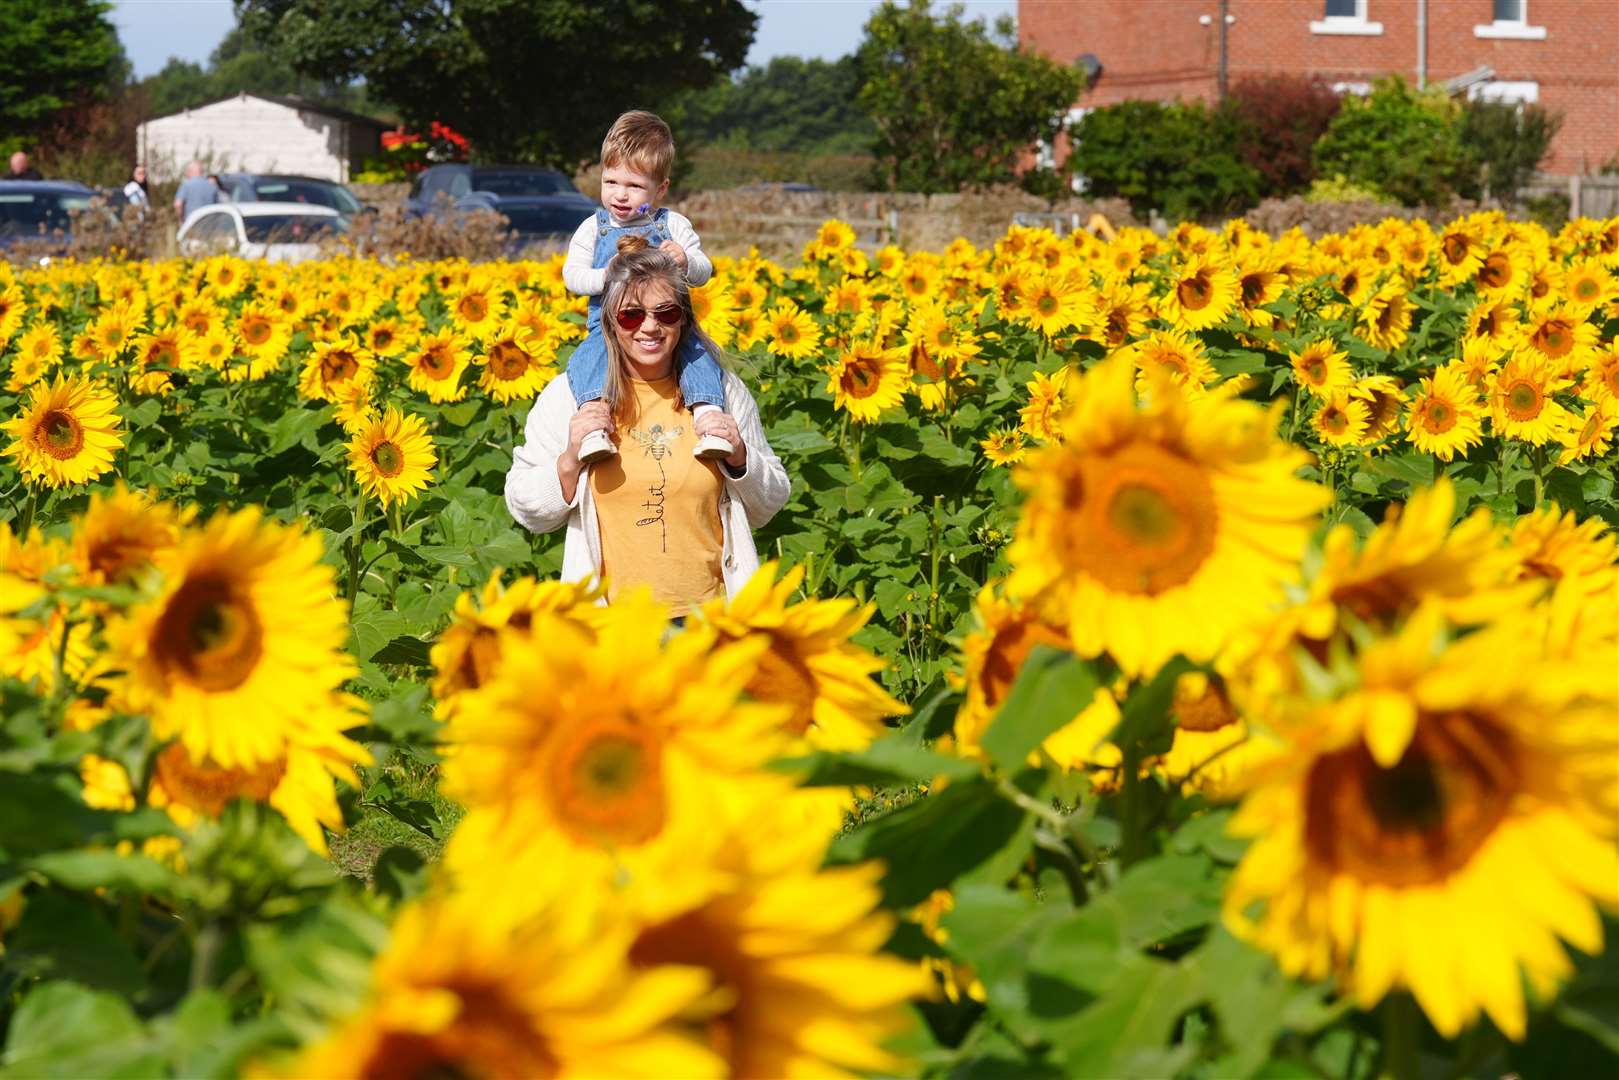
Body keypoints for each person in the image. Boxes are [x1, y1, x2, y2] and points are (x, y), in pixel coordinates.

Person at [506, 236, 790, 617]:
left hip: (710, 621)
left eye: (666, 313)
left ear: (684, 319)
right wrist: (570, 460)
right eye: (631, 315)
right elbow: (526, 510)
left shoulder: (720, 393)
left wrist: (741, 458)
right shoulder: (570, 397)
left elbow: (769, 504)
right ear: (609, 320)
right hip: (610, 627)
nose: (649, 327)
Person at [562, 110, 733, 466]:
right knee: (589, 358)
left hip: (670, 323)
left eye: (635, 186)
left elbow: (705, 271)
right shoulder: (593, 229)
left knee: (698, 354)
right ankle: (595, 420)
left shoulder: (673, 225)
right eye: (611, 183)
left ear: (661, 188)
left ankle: (708, 417)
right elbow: (572, 276)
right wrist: (604, 275)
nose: (620, 196)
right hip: (609, 327)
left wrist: (685, 259)